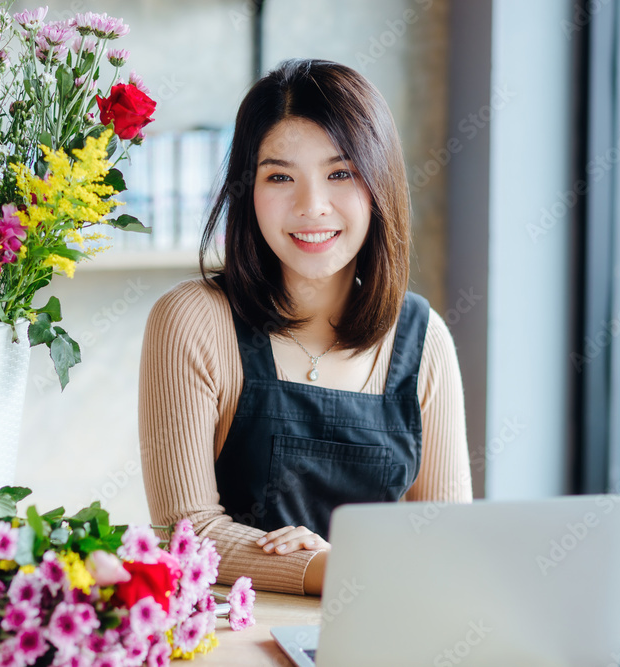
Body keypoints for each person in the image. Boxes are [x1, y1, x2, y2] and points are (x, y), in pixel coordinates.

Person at [139, 59, 472, 596]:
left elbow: (447, 546)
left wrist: (343, 563)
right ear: (247, 190)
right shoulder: (192, 320)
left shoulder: (423, 338)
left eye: (340, 174)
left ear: (378, 184)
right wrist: (328, 568)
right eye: (279, 177)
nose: (311, 206)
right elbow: (185, 534)